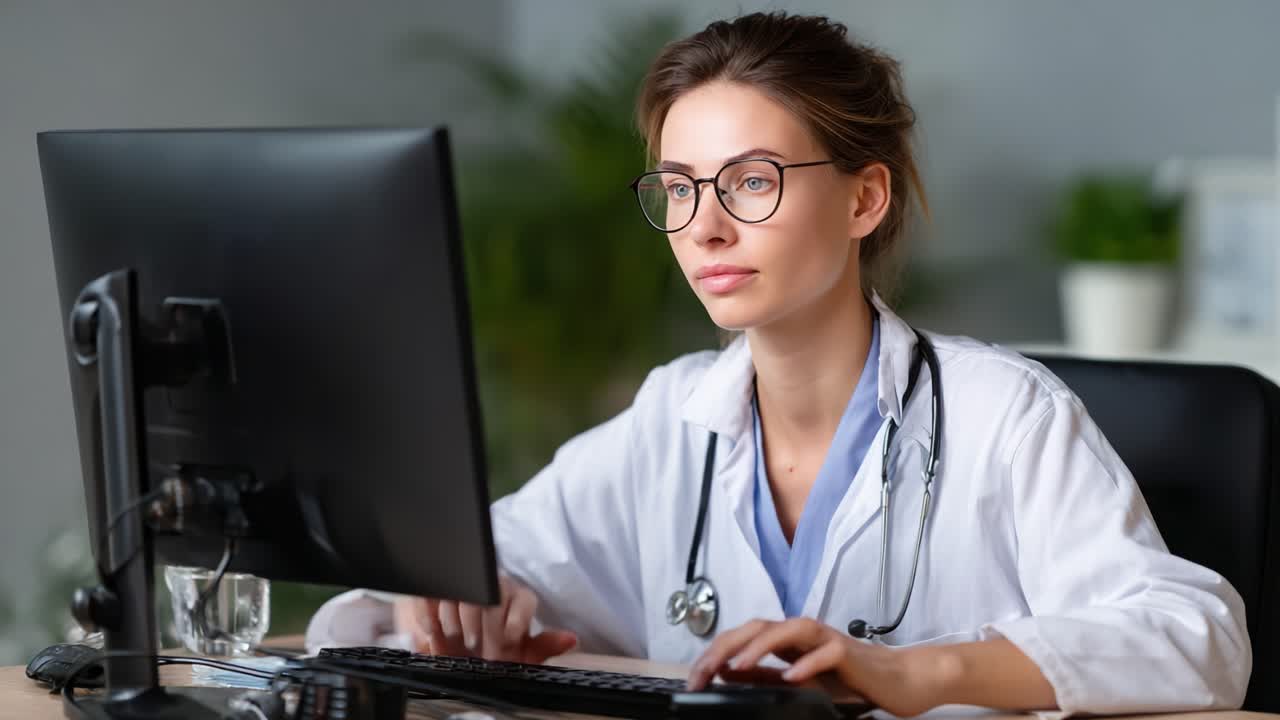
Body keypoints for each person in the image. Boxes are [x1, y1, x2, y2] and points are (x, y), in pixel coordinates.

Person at [307, 12, 1250, 715]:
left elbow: (1195, 636)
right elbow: (461, 568)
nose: (705, 224)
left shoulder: (1005, 415)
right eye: (678, 189)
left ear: (863, 199)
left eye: (751, 181)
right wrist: (462, 594)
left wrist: (910, 671)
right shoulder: (670, 416)